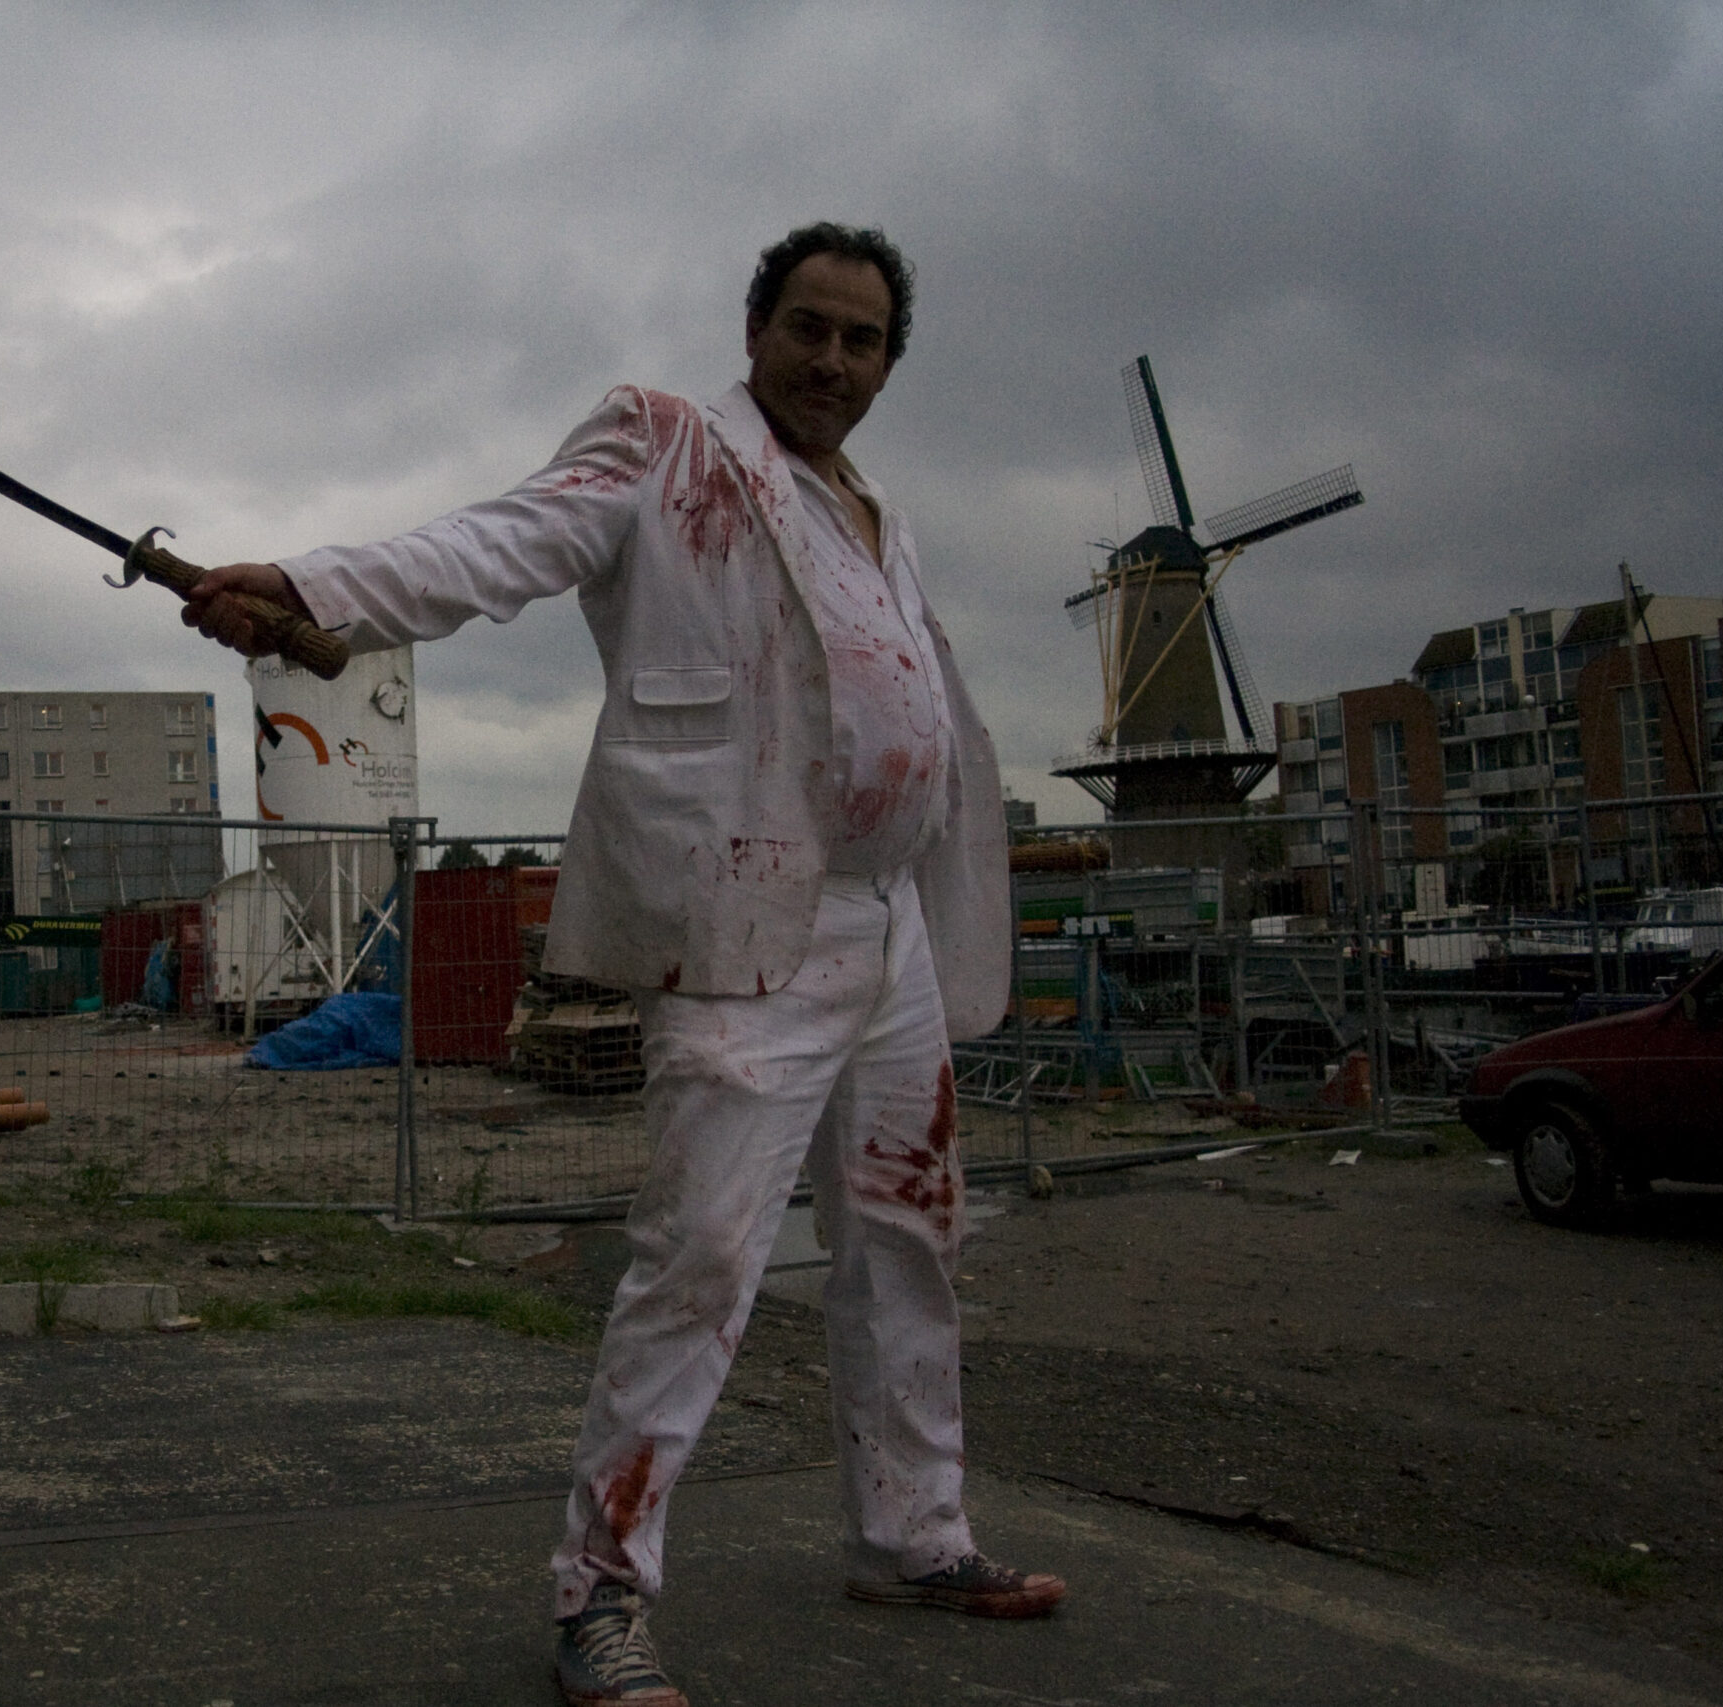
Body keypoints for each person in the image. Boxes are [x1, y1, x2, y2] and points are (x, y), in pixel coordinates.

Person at [183, 222, 1062, 1707]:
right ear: (756, 329)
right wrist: (313, 586)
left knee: (910, 1237)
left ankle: (915, 1533)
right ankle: (599, 1592)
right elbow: (497, 544)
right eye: (807, 327)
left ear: (889, 364)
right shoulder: (665, 444)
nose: (832, 359)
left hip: (891, 926)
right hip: (745, 927)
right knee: (704, 1252)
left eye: (862, 340)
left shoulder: (876, 512)